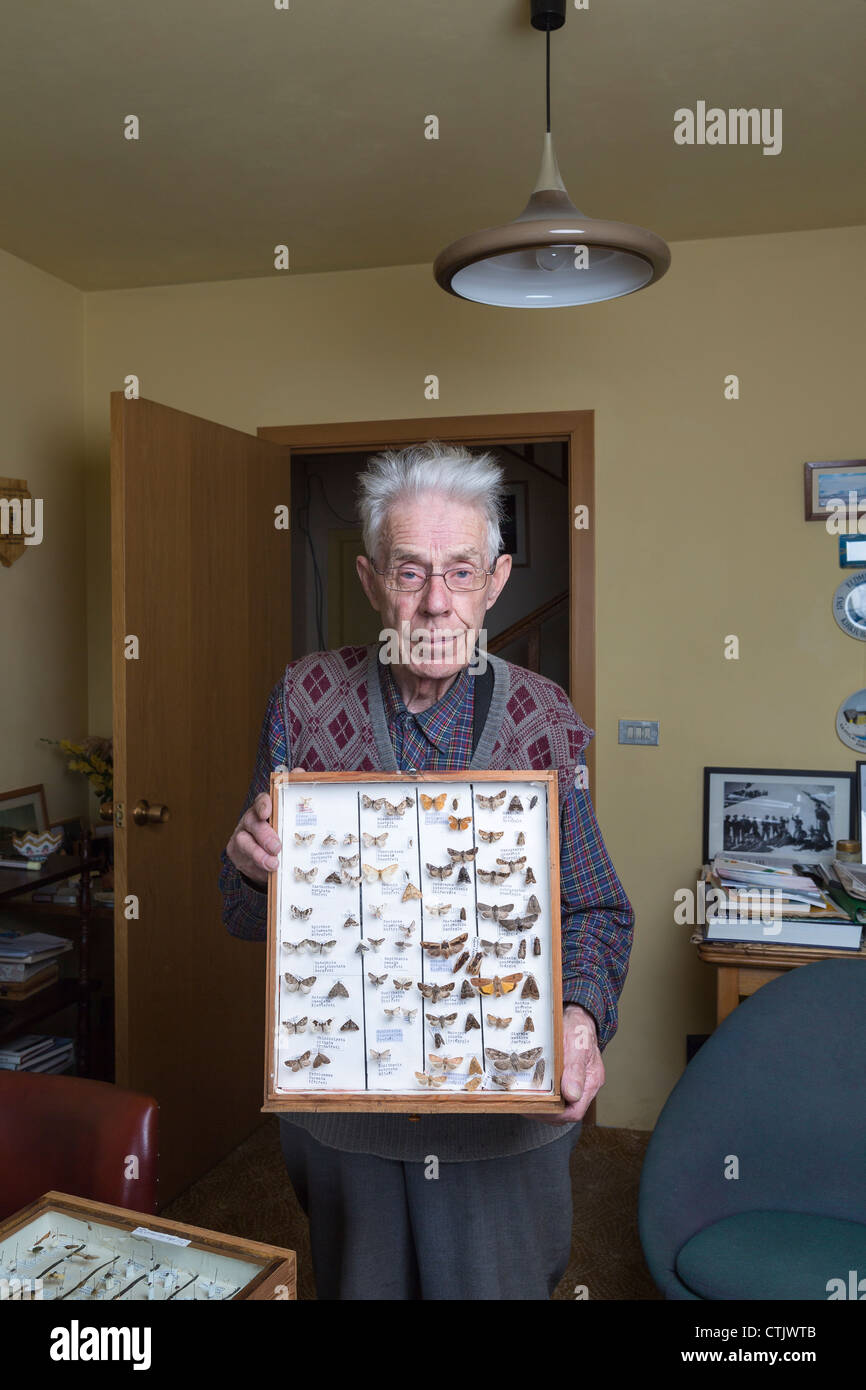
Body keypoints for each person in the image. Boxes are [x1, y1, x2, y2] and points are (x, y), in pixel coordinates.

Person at [219, 441, 634, 1300]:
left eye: (460, 570)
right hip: (345, 1116)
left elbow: (593, 907)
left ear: (497, 578)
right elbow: (248, 913)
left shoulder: (542, 716)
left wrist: (581, 1017)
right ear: (372, 581)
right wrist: (253, 868)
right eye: (411, 572)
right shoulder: (305, 698)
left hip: (502, 1118)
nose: (436, 602)